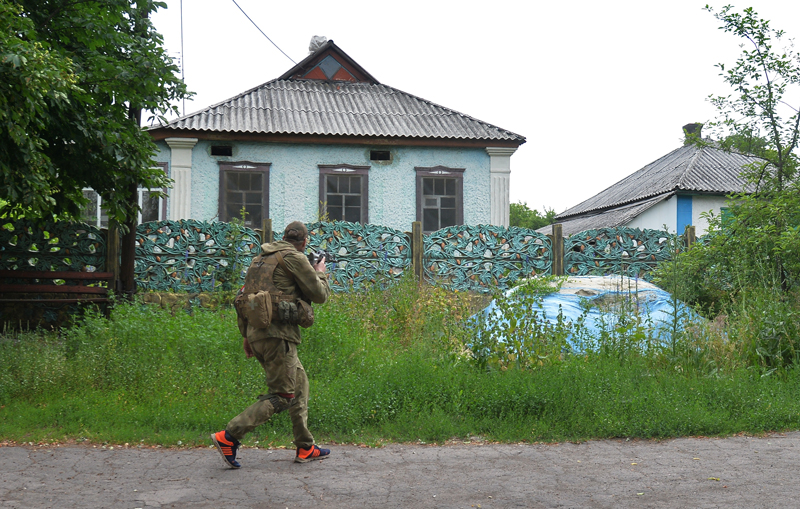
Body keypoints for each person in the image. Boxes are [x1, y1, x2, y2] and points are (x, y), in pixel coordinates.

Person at [212, 221, 331, 468]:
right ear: (304, 242)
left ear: (283, 237)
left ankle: (305, 447)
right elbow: (320, 295)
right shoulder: (295, 258)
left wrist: (246, 336)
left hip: (258, 335)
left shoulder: (259, 260)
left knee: (300, 385)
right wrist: (319, 270)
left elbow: (243, 298)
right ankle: (230, 435)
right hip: (279, 338)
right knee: (284, 396)